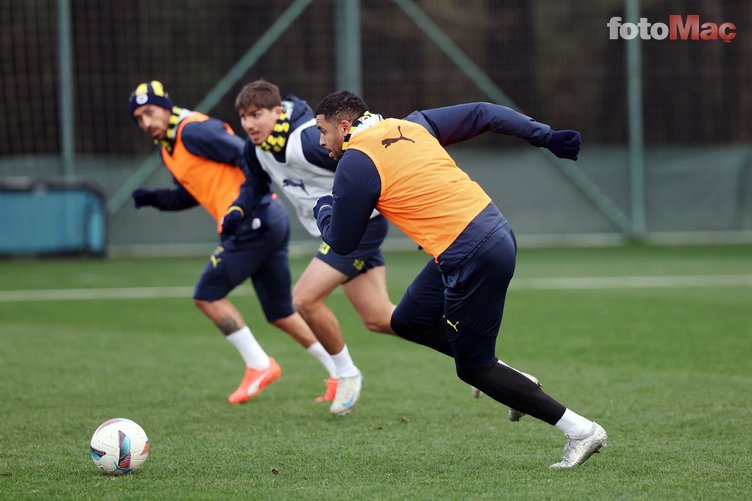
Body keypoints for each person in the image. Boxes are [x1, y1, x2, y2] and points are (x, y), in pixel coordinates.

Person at [312, 91, 607, 468]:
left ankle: (580, 430)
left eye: (323, 131)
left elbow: (341, 240)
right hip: (489, 233)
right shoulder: (412, 124)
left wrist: (324, 209)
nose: (322, 142)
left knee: (473, 368)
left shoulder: (356, 160)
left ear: (344, 125)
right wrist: (545, 136)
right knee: (407, 320)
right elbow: (483, 112)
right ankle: (508, 376)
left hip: (470, 252)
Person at [127, 80, 337, 404]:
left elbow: (246, 156)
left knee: (207, 296)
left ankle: (259, 365)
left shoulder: (193, 132)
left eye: (150, 112)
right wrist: (156, 198)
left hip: (253, 221)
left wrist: (246, 205)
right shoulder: (169, 147)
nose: (146, 122)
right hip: (267, 219)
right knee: (281, 311)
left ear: (166, 108)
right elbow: (191, 193)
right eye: (139, 118)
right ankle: (338, 371)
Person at [223, 80, 396, 416]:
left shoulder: (307, 140)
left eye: (256, 114)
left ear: (277, 111)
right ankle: (469, 350)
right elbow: (255, 185)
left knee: (303, 299)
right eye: (244, 117)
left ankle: (346, 373)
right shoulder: (255, 147)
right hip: (340, 231)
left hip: (359, 228)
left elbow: (372, 161)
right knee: (380, 318)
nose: (249, 124)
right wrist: (239, 209)